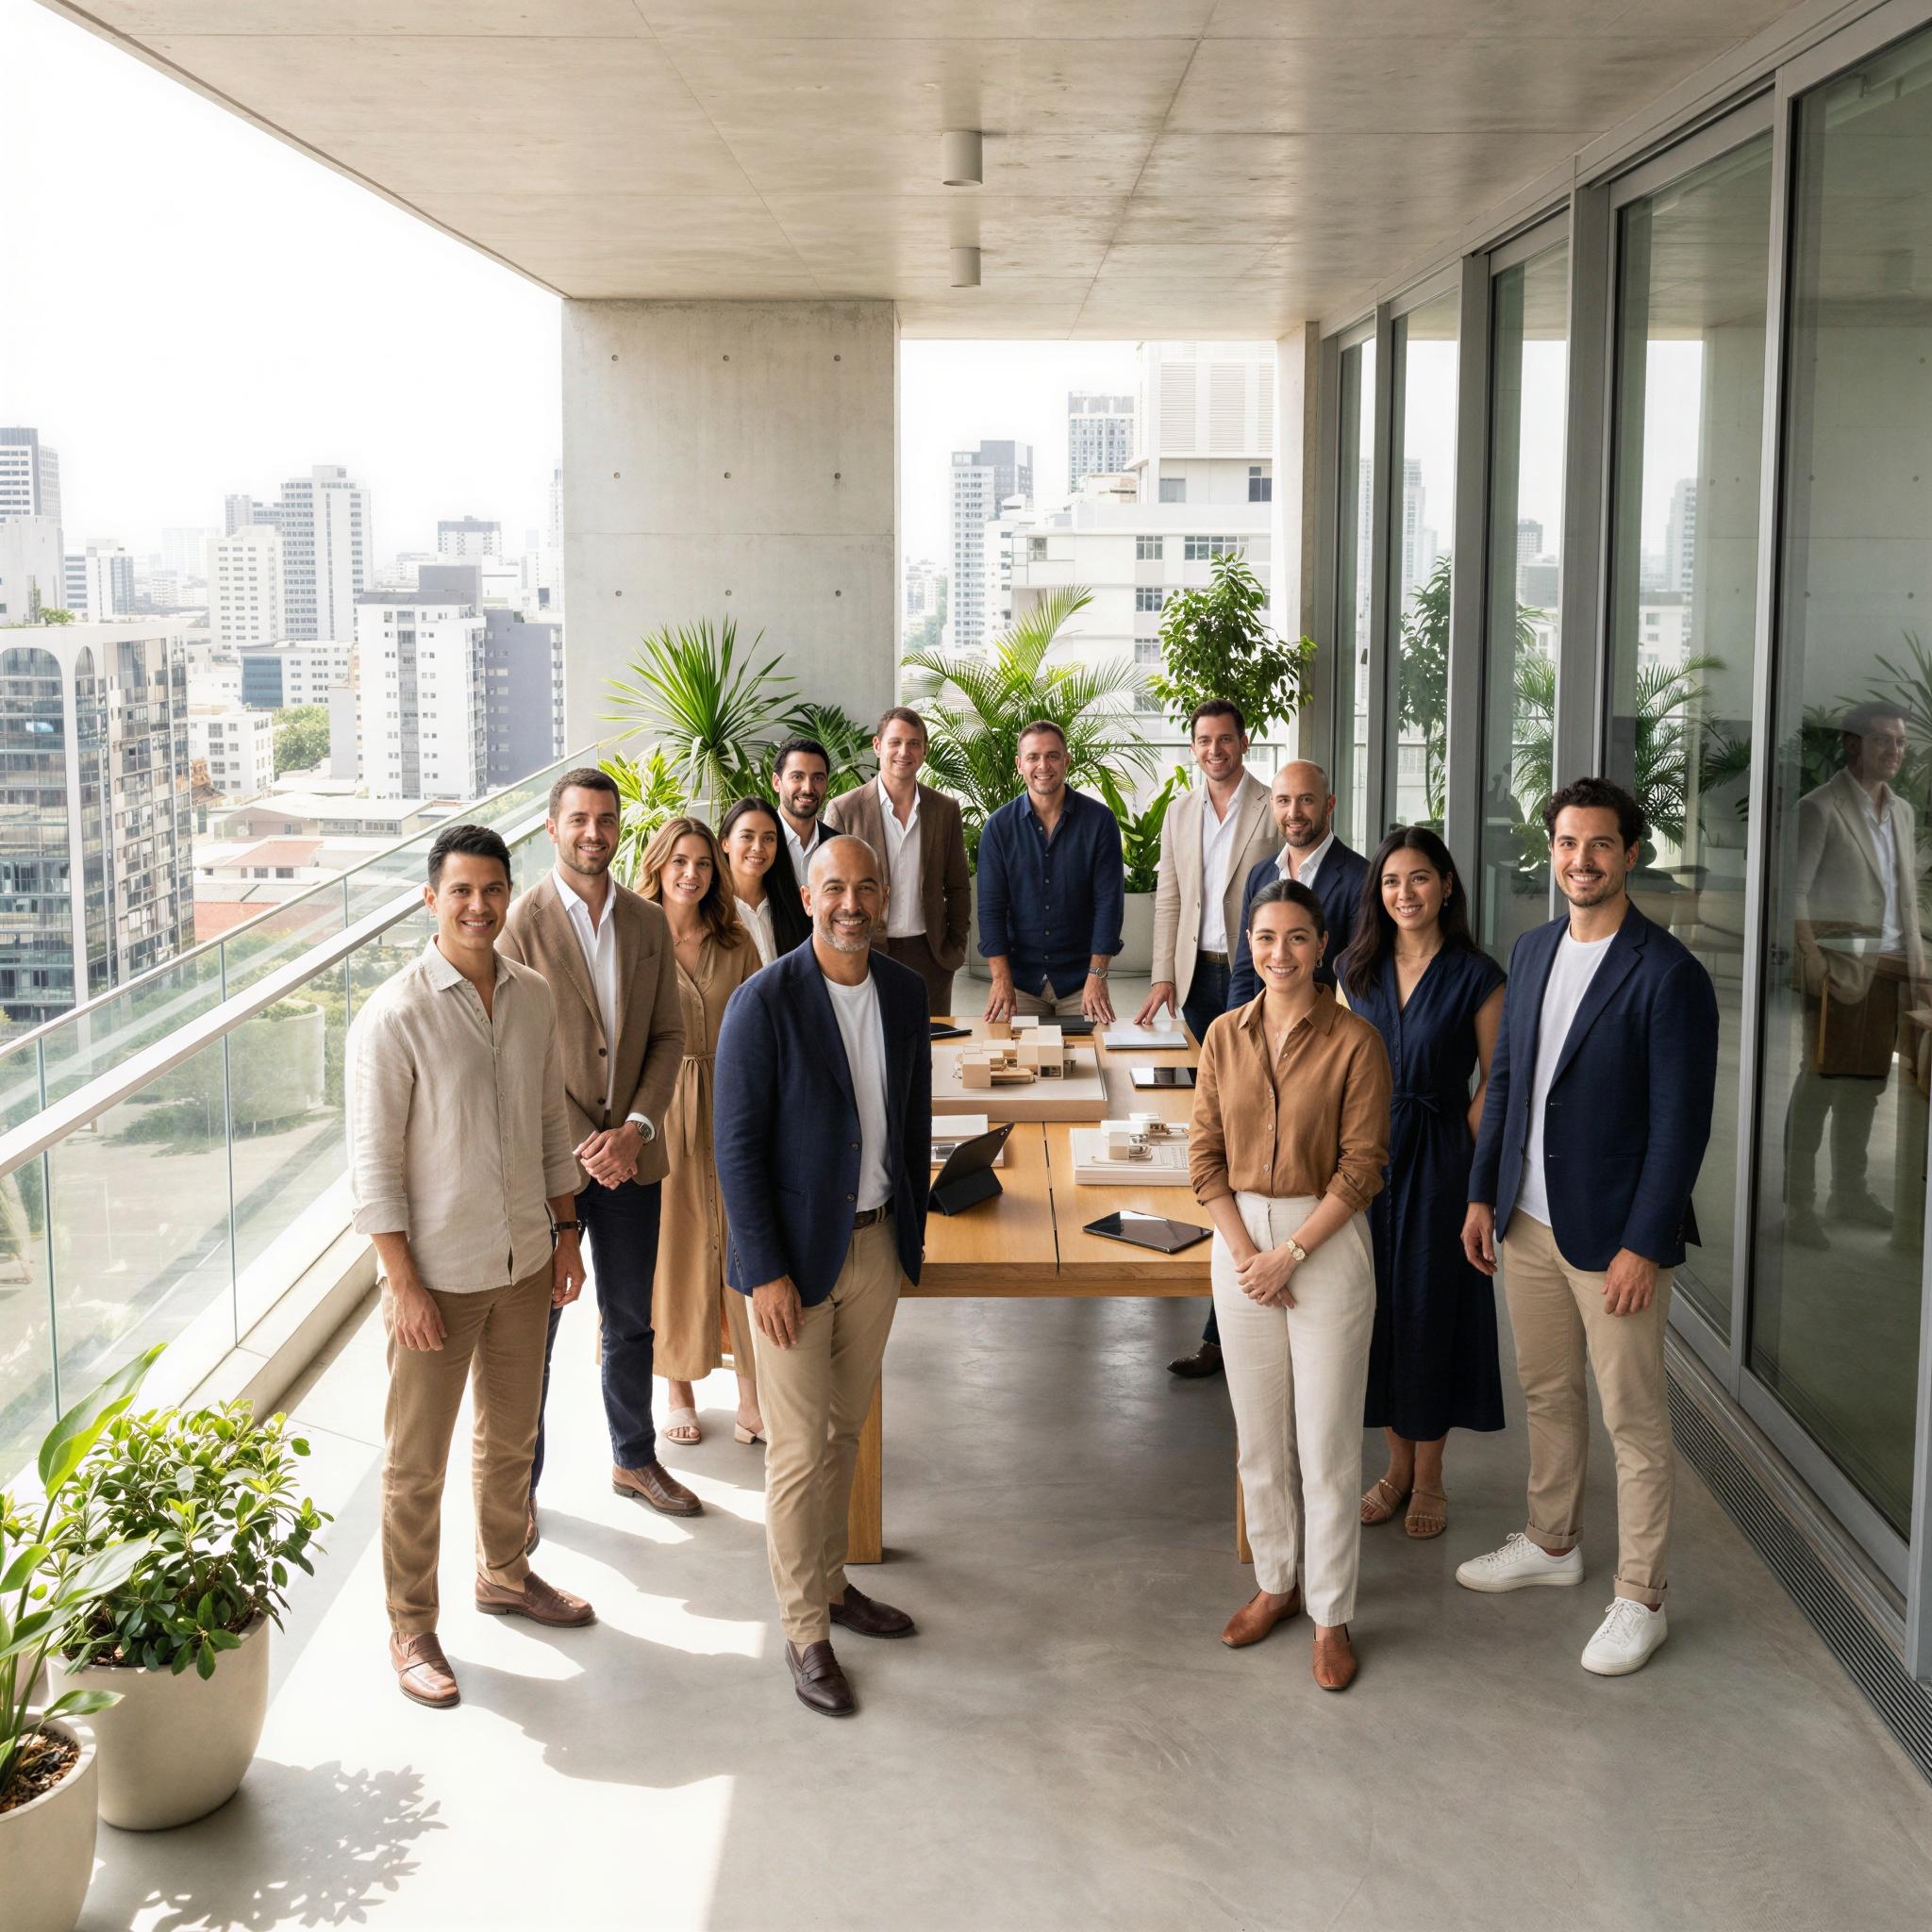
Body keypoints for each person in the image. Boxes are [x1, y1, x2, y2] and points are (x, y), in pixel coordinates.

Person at [1457, 776, 1718, 1678]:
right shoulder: (1529, 954)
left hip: (1613, 1239)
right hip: (1527, 1222)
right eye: (1568, 844)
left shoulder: (1668, 974)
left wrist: (1645, 1244)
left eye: (1599, 845)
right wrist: (1484, 1193)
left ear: (1630, 856)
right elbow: (1510, 1085)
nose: (1581, 860)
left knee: (1635, 1421)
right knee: (1548, 1396)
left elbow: (1682, 1126)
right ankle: (1552, 1540)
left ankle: (1641, 1596)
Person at [347, 823, 594, 1711]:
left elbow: (547, 1128)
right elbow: (372, 1167)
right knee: (418, 1462)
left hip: (526, 1259)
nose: (479, 905)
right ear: (430, 899)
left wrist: (567, 1235)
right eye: (461, 891)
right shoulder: (395, 1014)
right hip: (437, 1281)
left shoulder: (530, 997)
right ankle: (412, 1623)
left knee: (511, 1437)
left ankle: (505, 1572)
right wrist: (402, 1283)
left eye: (492, 889)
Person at [715, 835, 932, 1717]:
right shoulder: (761, 1004)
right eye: (833, 888)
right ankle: (806, 1631)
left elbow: (910, 1119)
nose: (851, 903)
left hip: (876, 1247)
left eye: (865, 888)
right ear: (807, 900)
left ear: (883, 898)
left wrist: (914, 1226)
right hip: (792, 1267)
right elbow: (735, 1149)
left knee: (846, 1431)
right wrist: (763, 1270)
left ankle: (835, 1584)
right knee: (800, 1451)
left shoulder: (908, 994)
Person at [1189, 879, 1391, 1692]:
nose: (1280, 953)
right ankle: (1277, 1583)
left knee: (1329, 1446)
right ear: (1248, 944)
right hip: (1240, 1245)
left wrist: (1289, 1257)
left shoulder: (1356, 1042)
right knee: (1260, 1441)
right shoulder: (1222, 1036)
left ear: (1323, 944)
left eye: (1297, 938)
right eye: (1265, 937)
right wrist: (1247, 1255)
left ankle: (1332, 1614)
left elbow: (1363, 1167)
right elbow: (1203, 1159)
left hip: (1326, 1242)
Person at [499, 767, 698, 1542]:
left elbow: (669, 1037)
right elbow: (521, 1053)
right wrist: (589, 1143)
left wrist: (637, 1129)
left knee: (630, 1320)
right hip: (553, 1165)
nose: (594, 832)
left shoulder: (648, 922)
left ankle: (634, 1457)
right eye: (579, 819)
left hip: (634, 1157)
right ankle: (519, 1491)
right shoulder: (519, 924)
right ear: (552, 828)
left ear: (621, 828)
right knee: (536, 1333)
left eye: (607, 819)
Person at [1174, 759, 1370, 1380]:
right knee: (1238, 1182)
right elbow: (1243, 967)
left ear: (1329, 804)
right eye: (1284, 801)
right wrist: (1238, 1046)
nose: (1294, 812)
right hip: (1257, 1056)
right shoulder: (1263, 870)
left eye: (1306, 801)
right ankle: (1226, 1331)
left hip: (1319, 1063)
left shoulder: (1358, 878)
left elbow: (1359, 982)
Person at [1338, 827, 1506, 1541]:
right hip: (1367, 1159)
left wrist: (1461, 1149)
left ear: (1445, 886)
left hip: (1440, 1156)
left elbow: (1496, 1078)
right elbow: (1339, 1068)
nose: (1404, 894)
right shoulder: (1356, 968)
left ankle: (1431, 1477)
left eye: (1419, 879)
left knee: (1431, 1312)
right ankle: (1395, 1468)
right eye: (1391, 882)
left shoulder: (1478, 972)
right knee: (1374, 1312)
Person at [636, 816, 764, 1447]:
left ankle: (752, 1396)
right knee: (675, 1248)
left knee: (742, 1240)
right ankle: (677, 1386)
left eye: (704, 863)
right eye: (680, 860)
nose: (692, 873)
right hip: (660, 1109)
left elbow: (765, 1025)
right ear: (658, 865)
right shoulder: (633, 936)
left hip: (733, 1101)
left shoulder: (736, 939)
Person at [1785, 700, 1924, 1249]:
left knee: (1868, 1086)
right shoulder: (1820, 808)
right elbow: (1793, 892)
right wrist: (1813, 962)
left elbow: (1906, 900)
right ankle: (1798, 1205)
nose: (1894, 751)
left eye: (1900, 742)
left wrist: (1917, 962)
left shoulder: (1904, 812)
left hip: (1891, 969)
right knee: (1819, 1083)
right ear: (1853, 744)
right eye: (1883, 740)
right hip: (1837, 967)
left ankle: (1849, 1192)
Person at [1137, 698, 1278, 1046]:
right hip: (1195, 972)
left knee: (1251, 1070)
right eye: (1204, 741)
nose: (1214, 750)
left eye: (1225, 739)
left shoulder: (1275, 805)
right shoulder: (1177, 812)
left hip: (1252, 969)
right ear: (1193, 748)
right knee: (1203, 1073)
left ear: (1244, 743)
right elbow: (1169, 900)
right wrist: (1162, 976)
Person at [824, 705, 972, 1018]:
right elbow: (829, 890)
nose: (904, 751)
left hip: (930, 955)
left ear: (924, 750)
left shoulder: (944, 809)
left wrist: (956, 945)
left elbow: (958, 885)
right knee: (870, 1050)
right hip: (867, 950)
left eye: (914, 743)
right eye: (895, 742)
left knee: (931, 1049)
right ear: (877, 746)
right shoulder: (844, 810)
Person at [976, 720, 1124, 1023]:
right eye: (1033, 757)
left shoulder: (1100, 822)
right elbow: (991, 909)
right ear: (1020, 764)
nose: (1043, 765)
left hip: (1081, 983)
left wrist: (1097, 976)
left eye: (1052, 756)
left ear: (1066, 761)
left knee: (1091, 1065)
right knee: (1017, 1067)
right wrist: (1001, 979)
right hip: (1020, 984)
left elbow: (1109, 905)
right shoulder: (998, 827)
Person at [762, 737, 832, 955]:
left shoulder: (837, 846)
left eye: (818, 778)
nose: (808, 788)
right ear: (776, 782)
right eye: (797, 776)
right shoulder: (756, 847)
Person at [722, 795, 788, 967]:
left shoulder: (789, 905)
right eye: (747, 836)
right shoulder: (709, 908)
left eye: (768, 838)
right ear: (725, 843)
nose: (758, 847)